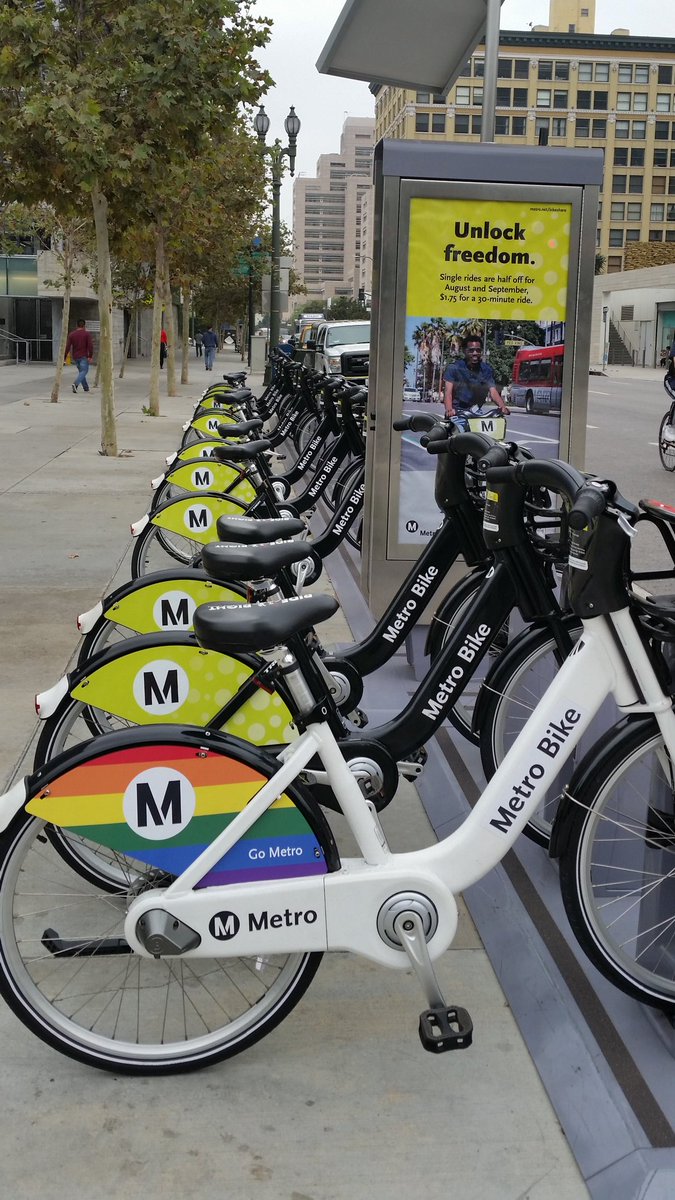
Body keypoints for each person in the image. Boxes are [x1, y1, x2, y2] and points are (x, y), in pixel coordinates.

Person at [443, 334, 510, 420]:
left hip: (476, 411)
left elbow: (493, 392)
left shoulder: (486, 369)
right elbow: (448, 392)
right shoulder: (454, 368)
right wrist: (449, 409)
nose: (475, 353)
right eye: (471, 350)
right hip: (457, 412)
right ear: (464, 351)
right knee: (458, 430)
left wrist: (502, 407)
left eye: (478, 350)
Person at [64, 318, 94, 393]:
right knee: (84, 371)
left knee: (81, 371)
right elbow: (90, 345)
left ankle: (86, 388)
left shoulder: (72, 334)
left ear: (76, 325)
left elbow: (67, 346)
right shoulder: (86, 334)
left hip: (75, 356)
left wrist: (64, 357)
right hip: (83, 356)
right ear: (84, 325)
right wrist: (90, 356)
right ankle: (75, 384)